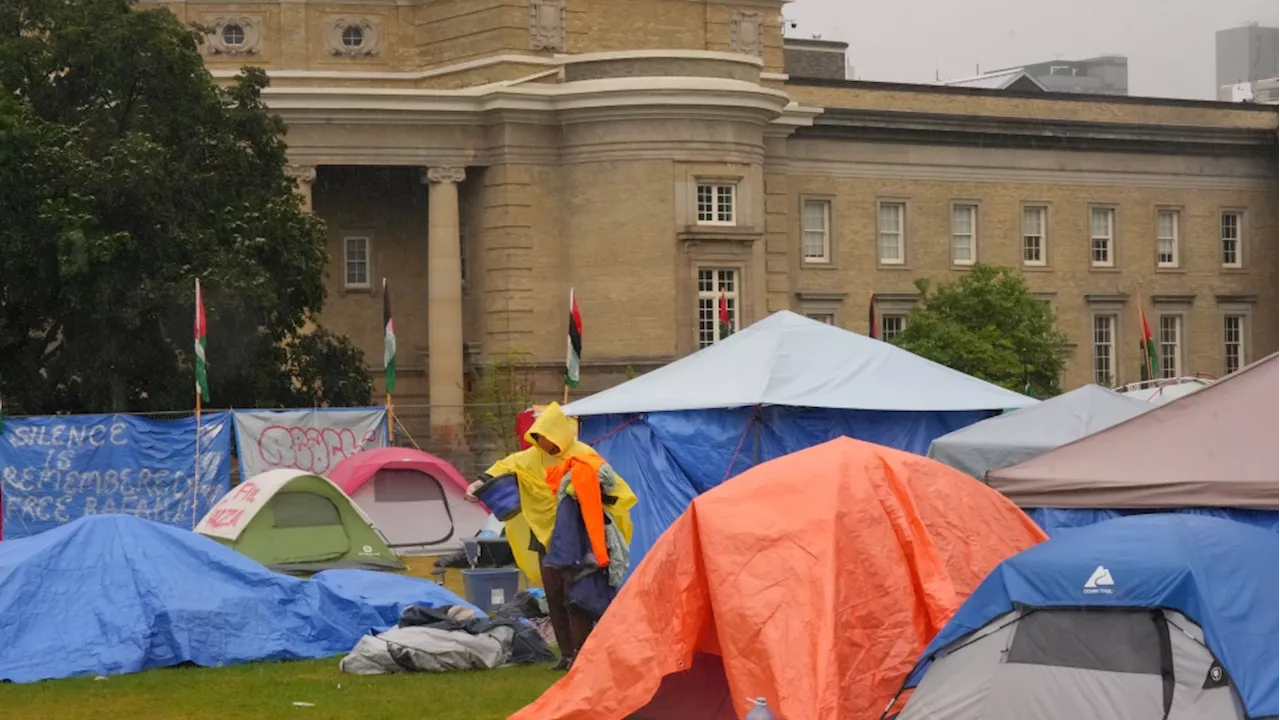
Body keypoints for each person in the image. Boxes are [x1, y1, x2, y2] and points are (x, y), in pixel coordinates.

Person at [465, 402, 636, 671]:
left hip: (577, 538)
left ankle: (585, 652)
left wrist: (582, 490)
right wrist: (476, 485)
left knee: (577, 595)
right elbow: (501, 467)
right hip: (545, 538)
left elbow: (611, 487)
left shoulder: (583, 455)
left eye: (546, 436)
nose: (543, 442)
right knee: (554, 595)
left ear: (558, 434)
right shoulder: (530, 458)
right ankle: (567, 654)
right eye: (539, 437)